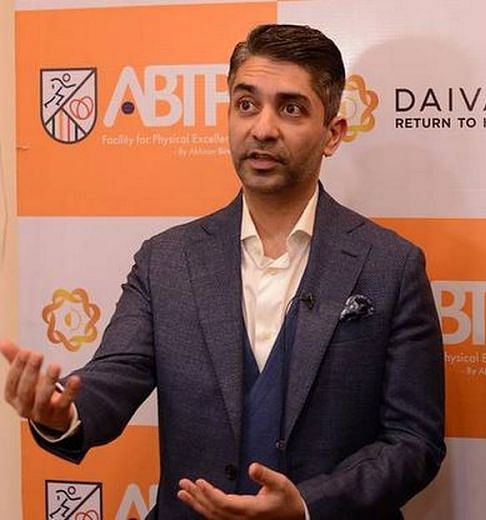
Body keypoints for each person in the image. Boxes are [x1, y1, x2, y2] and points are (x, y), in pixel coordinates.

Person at [2, 24, 445, 519]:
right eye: (247, 104)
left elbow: (413, 442)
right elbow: (114, 377)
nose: (263, 128)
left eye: (291, 108)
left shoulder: (391, 265)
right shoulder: (167, 259)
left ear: (333, 135)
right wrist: (63, 412)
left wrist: (307, 505)